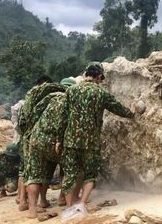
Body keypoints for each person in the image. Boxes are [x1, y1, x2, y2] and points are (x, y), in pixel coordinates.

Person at [62, 62, 134, 208]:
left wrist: (59, 139)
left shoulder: (71, 91)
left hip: (70, 141)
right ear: (99, 76)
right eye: (102, 78)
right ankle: (81, 205)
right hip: (90, 142)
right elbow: (118, 108)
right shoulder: (101, 93)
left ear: (86, 74)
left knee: (69, 175)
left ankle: (69, 207)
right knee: (90, 174)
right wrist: (131, 112)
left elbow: (63, 117)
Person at [17, 76, 66, 212]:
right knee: (63, 168)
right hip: (54, 140)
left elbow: (21, 123)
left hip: (33, 138)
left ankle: (29, 205)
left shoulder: (32, 98)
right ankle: (60, 198)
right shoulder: (64, 98)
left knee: (32, 174)